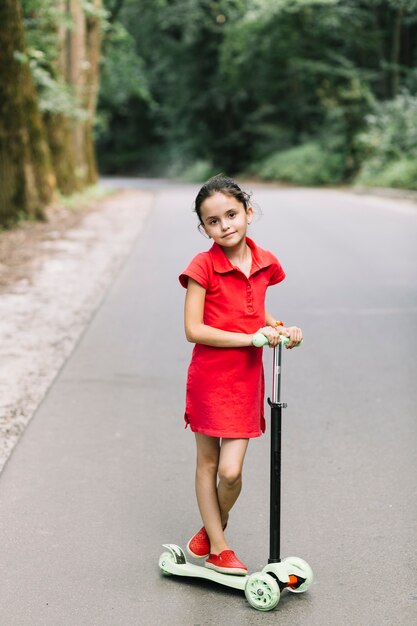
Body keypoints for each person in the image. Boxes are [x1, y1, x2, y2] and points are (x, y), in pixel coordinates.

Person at [178, 175, 302, 575]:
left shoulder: (266, 261)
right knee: (209, 464)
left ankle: (213, 525)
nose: (225, 225)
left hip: (247, 380)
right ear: (204, 228)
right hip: (210, 378)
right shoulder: (202, 266)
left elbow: (257, 309)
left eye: (231, 214)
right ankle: (219, 547)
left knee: (232, 473)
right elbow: (193, 329)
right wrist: (249, 338)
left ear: (248, 212)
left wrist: (279, 329)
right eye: (213, 221)